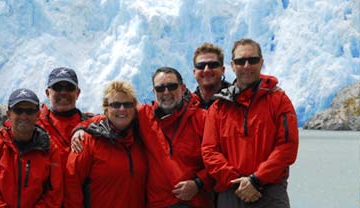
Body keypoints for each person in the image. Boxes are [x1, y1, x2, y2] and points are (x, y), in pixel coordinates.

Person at [72, 67, 213, 208]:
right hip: (158, 204)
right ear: (154, 92)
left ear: (182, 88)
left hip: (193, 203)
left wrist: (198, 183)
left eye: (172, 86)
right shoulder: (145, 115)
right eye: (160, 88)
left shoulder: (202, 119)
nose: (166, 92)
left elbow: (218, 158)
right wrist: (80, 128)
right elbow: (116, 116)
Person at [201, 38, 299, 208]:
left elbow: (287, 147)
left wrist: (256, 179)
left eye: (252, 60)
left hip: (269, 192)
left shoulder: (279, 100)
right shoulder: (218, 107)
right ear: (232, 65)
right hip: (231, 191)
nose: (246, 66)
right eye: (240, 61)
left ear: (261, 62)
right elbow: (209, 151)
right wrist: (238, 182)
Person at [0, 88, 63, 207]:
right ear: (9, 114)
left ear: (38, 115)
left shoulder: (50, 149)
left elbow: (54, 194)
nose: (24, 116)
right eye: (18, 110)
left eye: (30, 111)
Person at [64, 81, 148, 208]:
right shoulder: (87, 141)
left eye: (127, 104)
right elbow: (71, 183)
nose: (122, 109)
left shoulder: (142, 139)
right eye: (115, 105)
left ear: (134, 108)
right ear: (106, 110)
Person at [38, 67, 92, 168]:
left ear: (78, 93)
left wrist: (84, 127)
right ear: (47, 93)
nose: (63, 92)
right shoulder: (36, 125)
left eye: (69, 87)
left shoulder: (92, 125)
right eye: (57, 87)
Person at [192, 43, 231, 109]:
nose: (206, 70)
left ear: (222, 70)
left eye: (212, 65)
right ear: (194, 72)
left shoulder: (236, 100)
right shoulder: (188, 105)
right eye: (201, 66)